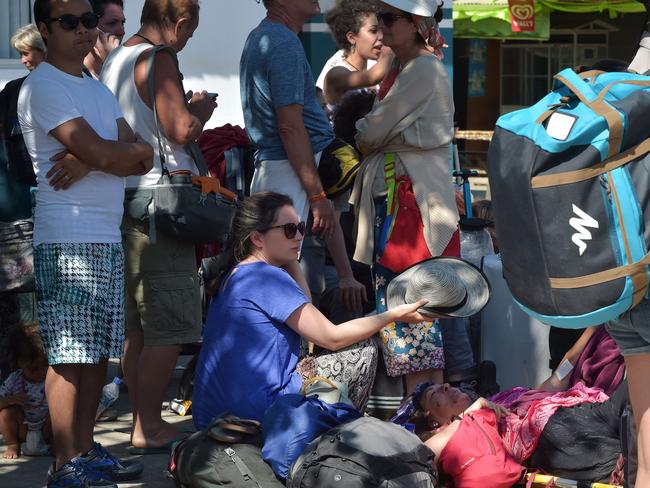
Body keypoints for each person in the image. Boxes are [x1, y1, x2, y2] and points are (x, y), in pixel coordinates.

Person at [18, 0, 153, 485]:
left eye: (88, 21)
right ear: (44, 28)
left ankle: (87, 449)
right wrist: (104, 155)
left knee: (96, 353)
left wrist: (98, 158)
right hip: (68, 237)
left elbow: (142, 153)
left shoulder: (94, 88)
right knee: (70, 353)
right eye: (69, 22)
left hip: (103, 236)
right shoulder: (43, 86)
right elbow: (111, 149)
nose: (82, 31)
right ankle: (64, 462)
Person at [191, 192, 432, 428]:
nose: (298, 236)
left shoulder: (237, 272)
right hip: (258, 414)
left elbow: (304, 304)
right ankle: (333, 440)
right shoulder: (267, 277)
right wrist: (393, 314)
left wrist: (291, 257)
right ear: (257, 238)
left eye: (301, 228)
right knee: (362, 349)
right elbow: (332, 337)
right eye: (288, 230)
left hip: (211, 417)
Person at [100, 0, 216, 455]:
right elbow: (180, 129)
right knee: (170, 326)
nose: (186, 41)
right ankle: (149, 425)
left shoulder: (116, 56)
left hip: (125, 201)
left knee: (138, 329)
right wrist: (200, 108)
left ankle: (142, 422)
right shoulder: (158, 57)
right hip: (160, 205)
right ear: (180, 22)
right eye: (189, 33)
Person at [350, 0, 459, 393]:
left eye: (390, 19)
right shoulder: (412, 68)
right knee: (418, 311)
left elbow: (369, 133)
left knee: (407, 308)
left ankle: (421, 415)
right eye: (379, 20)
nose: (382, 27)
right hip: (410, 195)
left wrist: (371, 131)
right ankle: (429, 412)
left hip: (407, 201)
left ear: (415, 24)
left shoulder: (420, 69)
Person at [241, 0, 367, 318]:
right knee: (279, 283)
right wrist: (316, 194)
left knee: (279, 279)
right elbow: (289, 125)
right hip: (287, 169)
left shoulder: (273, 37)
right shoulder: (280, 41)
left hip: (284, 168)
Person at [399, 380, 630, 485]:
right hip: (558, 441)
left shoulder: (500, 399)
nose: (446, 386)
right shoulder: (456, 435)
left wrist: (590, 331)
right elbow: (423, 453)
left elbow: (557, 379)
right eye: (434, 394)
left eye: (442, 384)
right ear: (434, 424)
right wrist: (471, 411)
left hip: (585, 408)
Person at [317, 1, 390, 111]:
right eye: (373, 30)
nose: (380, 36)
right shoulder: (336, 73)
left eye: (381, 30)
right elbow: (372, 77)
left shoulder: (374, 65)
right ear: (351, 38)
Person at [0, 323, 50, 459]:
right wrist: (9, 400)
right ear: (18, 363)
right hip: (23, 428)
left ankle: (56, 444)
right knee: (5, 414)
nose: (40, 373)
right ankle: (12, 444)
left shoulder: (52, 378)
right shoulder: (14, 379)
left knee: (59, 413)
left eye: (45, 366)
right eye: (33, 369)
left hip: (47, 428)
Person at [83, 0, 125, 78]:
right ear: (90, 24)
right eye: (112, 23)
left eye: (122, 23)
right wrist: (111, 60)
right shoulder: (76, 74)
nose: (122, 32)